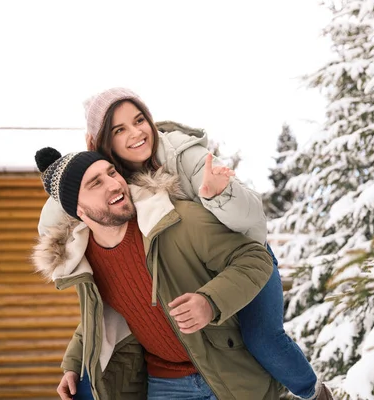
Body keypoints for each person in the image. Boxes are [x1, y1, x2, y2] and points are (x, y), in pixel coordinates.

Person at [38, 88, 334, 400]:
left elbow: (251, 237)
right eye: (119, 129)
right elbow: (99, 312)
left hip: (240, 249)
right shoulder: (99, 220)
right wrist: (73, 363)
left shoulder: (183, 158)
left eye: (139, 120)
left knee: (262, 338)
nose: (136, 133)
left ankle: (312, 393)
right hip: (173, 366)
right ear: (102, 144)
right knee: (86, 386)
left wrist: (220, 195)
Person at [32, 147, 281, 399]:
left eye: (112, 172)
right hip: (164, 384)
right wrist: (74, 365)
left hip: (229, 373)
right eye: (96, 183)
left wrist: (211, 301)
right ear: (79, 210)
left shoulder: (175, 220)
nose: (115, 184)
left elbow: (255, 258)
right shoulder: (85, 260)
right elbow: (96, 317)